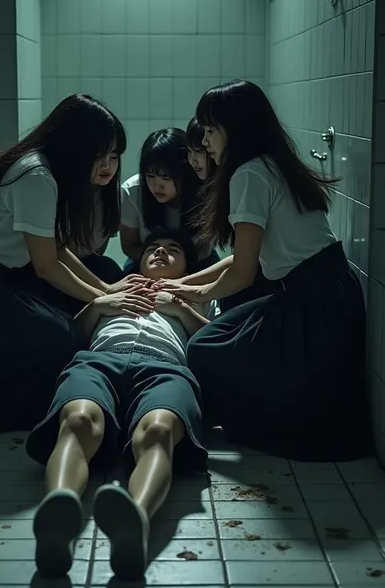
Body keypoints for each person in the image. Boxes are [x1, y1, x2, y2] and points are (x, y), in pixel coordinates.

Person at [156, 80, 372, 462]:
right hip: (327, 292)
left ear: (233, 129)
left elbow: (241, 274)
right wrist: (187, 284)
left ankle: (261, 425)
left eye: (209, 130)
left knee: (204, 350)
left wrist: (192, 295)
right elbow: (244, 259)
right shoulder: (272, 164)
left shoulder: (249, 176)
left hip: (314, 305)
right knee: (219, 333)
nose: (204, 142)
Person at [0, 94, 142, 434]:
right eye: (99, 155)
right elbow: (46, 266)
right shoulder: (36, 175)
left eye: (114, 156)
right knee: (59, 335)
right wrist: (99, 299)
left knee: (99, 280)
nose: (108, 167)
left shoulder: (49, 170)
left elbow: (55, 247)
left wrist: (105, 289)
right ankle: (34, 412)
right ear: (75, 146)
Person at [26, 229, 218, 581]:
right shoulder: (112, 289)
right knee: (79, 420)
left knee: (159, 430)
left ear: (188, 266)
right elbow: (71, 337)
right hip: (100, 360)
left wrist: (180, 307)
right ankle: (58, 515)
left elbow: (215, 342)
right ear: (139, 261)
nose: (160, 252)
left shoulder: (201, 297)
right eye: (153, 249)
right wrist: (98, 304)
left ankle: (137, 522)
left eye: (172, 250)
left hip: (165, 367)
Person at [120, 127, 217, 274]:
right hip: (148, 259)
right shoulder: (133, 190)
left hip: (198, 259)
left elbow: (205, 248)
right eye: (150, 176)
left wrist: (180, 269)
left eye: (166, 178)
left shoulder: (204, 191)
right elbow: (129, 245)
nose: (156, 186)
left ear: (185, 173)